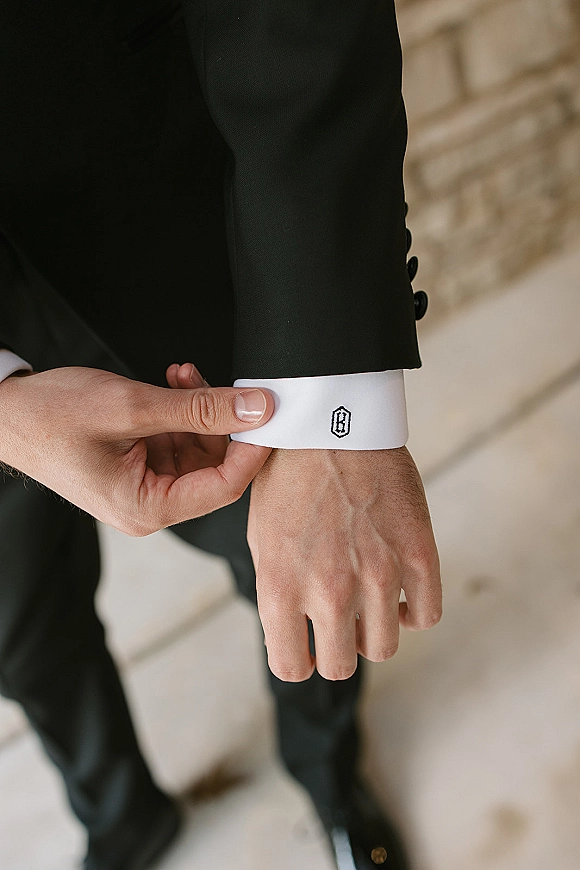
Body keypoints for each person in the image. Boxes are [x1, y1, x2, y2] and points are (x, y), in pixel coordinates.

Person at [0, 2, 442, 869]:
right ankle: (120, 818)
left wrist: (329, 414)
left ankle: (328, 778)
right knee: (21, 636)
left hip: (178, 237)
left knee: (305, 584)